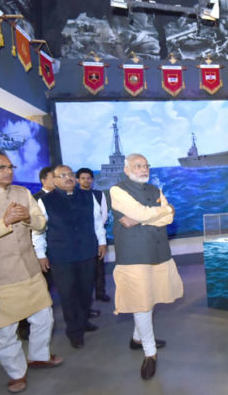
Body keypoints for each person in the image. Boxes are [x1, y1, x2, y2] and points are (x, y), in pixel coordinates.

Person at [0, 150, 63, 393]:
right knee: (5, 331)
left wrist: (28, 218)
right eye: (1, 167)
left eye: (10, 167)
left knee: (44, 317)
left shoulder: (22, 192)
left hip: (30, 270)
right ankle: (16, 373)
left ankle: (38, 356)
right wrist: (5, 222)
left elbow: (41, 223)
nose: (8, 171)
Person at [109, 153, 183, 380]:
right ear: (127, 169)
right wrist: (162, 211)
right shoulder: (117, 190)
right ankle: (150, 353)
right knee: (141, 302)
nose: (143, 169)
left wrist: (143, 217)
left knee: (149, 297)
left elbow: (167, 218)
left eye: (146, 165)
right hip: (134, 255)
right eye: (138, 165)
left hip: (158, 252)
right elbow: (148, 214)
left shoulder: (154, 189)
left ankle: (137, 338)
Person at [32, 165, 106, 349]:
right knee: (68, 294)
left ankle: (83, 321)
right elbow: (38, 231)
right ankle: (74, 332)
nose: (68, 178)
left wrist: (102, 242)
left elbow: (97, 222)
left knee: (85, 291)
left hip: (87, 252)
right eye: (62, 175)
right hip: (61, 255)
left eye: (71, 174)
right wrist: (40, 254)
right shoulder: (45, 201)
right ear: (54, 180)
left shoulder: (88, 196)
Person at [18, 165, 56, 341]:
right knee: (37, 290)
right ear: (43, 180)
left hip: (57, 249)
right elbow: (34, 229)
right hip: (38, 250)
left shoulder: (62, 197)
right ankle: (25, 326)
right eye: (54, 177)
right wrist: (40, 253)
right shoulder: (35, 199)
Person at [76, 167, 111, 302]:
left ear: (92, 180)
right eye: (83, 178)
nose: (86, 180)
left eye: (89, 178)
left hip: (97, 235)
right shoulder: (73, 195)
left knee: (99, 266)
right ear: (78, 180)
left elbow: (104, 214)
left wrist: (96, 229)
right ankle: (86, 296)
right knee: (83, 268)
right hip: (80, 238)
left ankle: (100, 292)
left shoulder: (99, 194)